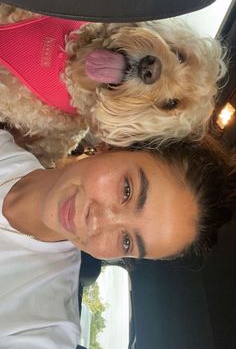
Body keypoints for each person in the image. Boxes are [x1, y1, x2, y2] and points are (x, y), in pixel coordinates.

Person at [0, 128, 234, 347]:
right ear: (112, 146)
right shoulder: (5, 145)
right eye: (127, 191)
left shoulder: (43, 325)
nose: (98, 221)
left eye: (127, 241)